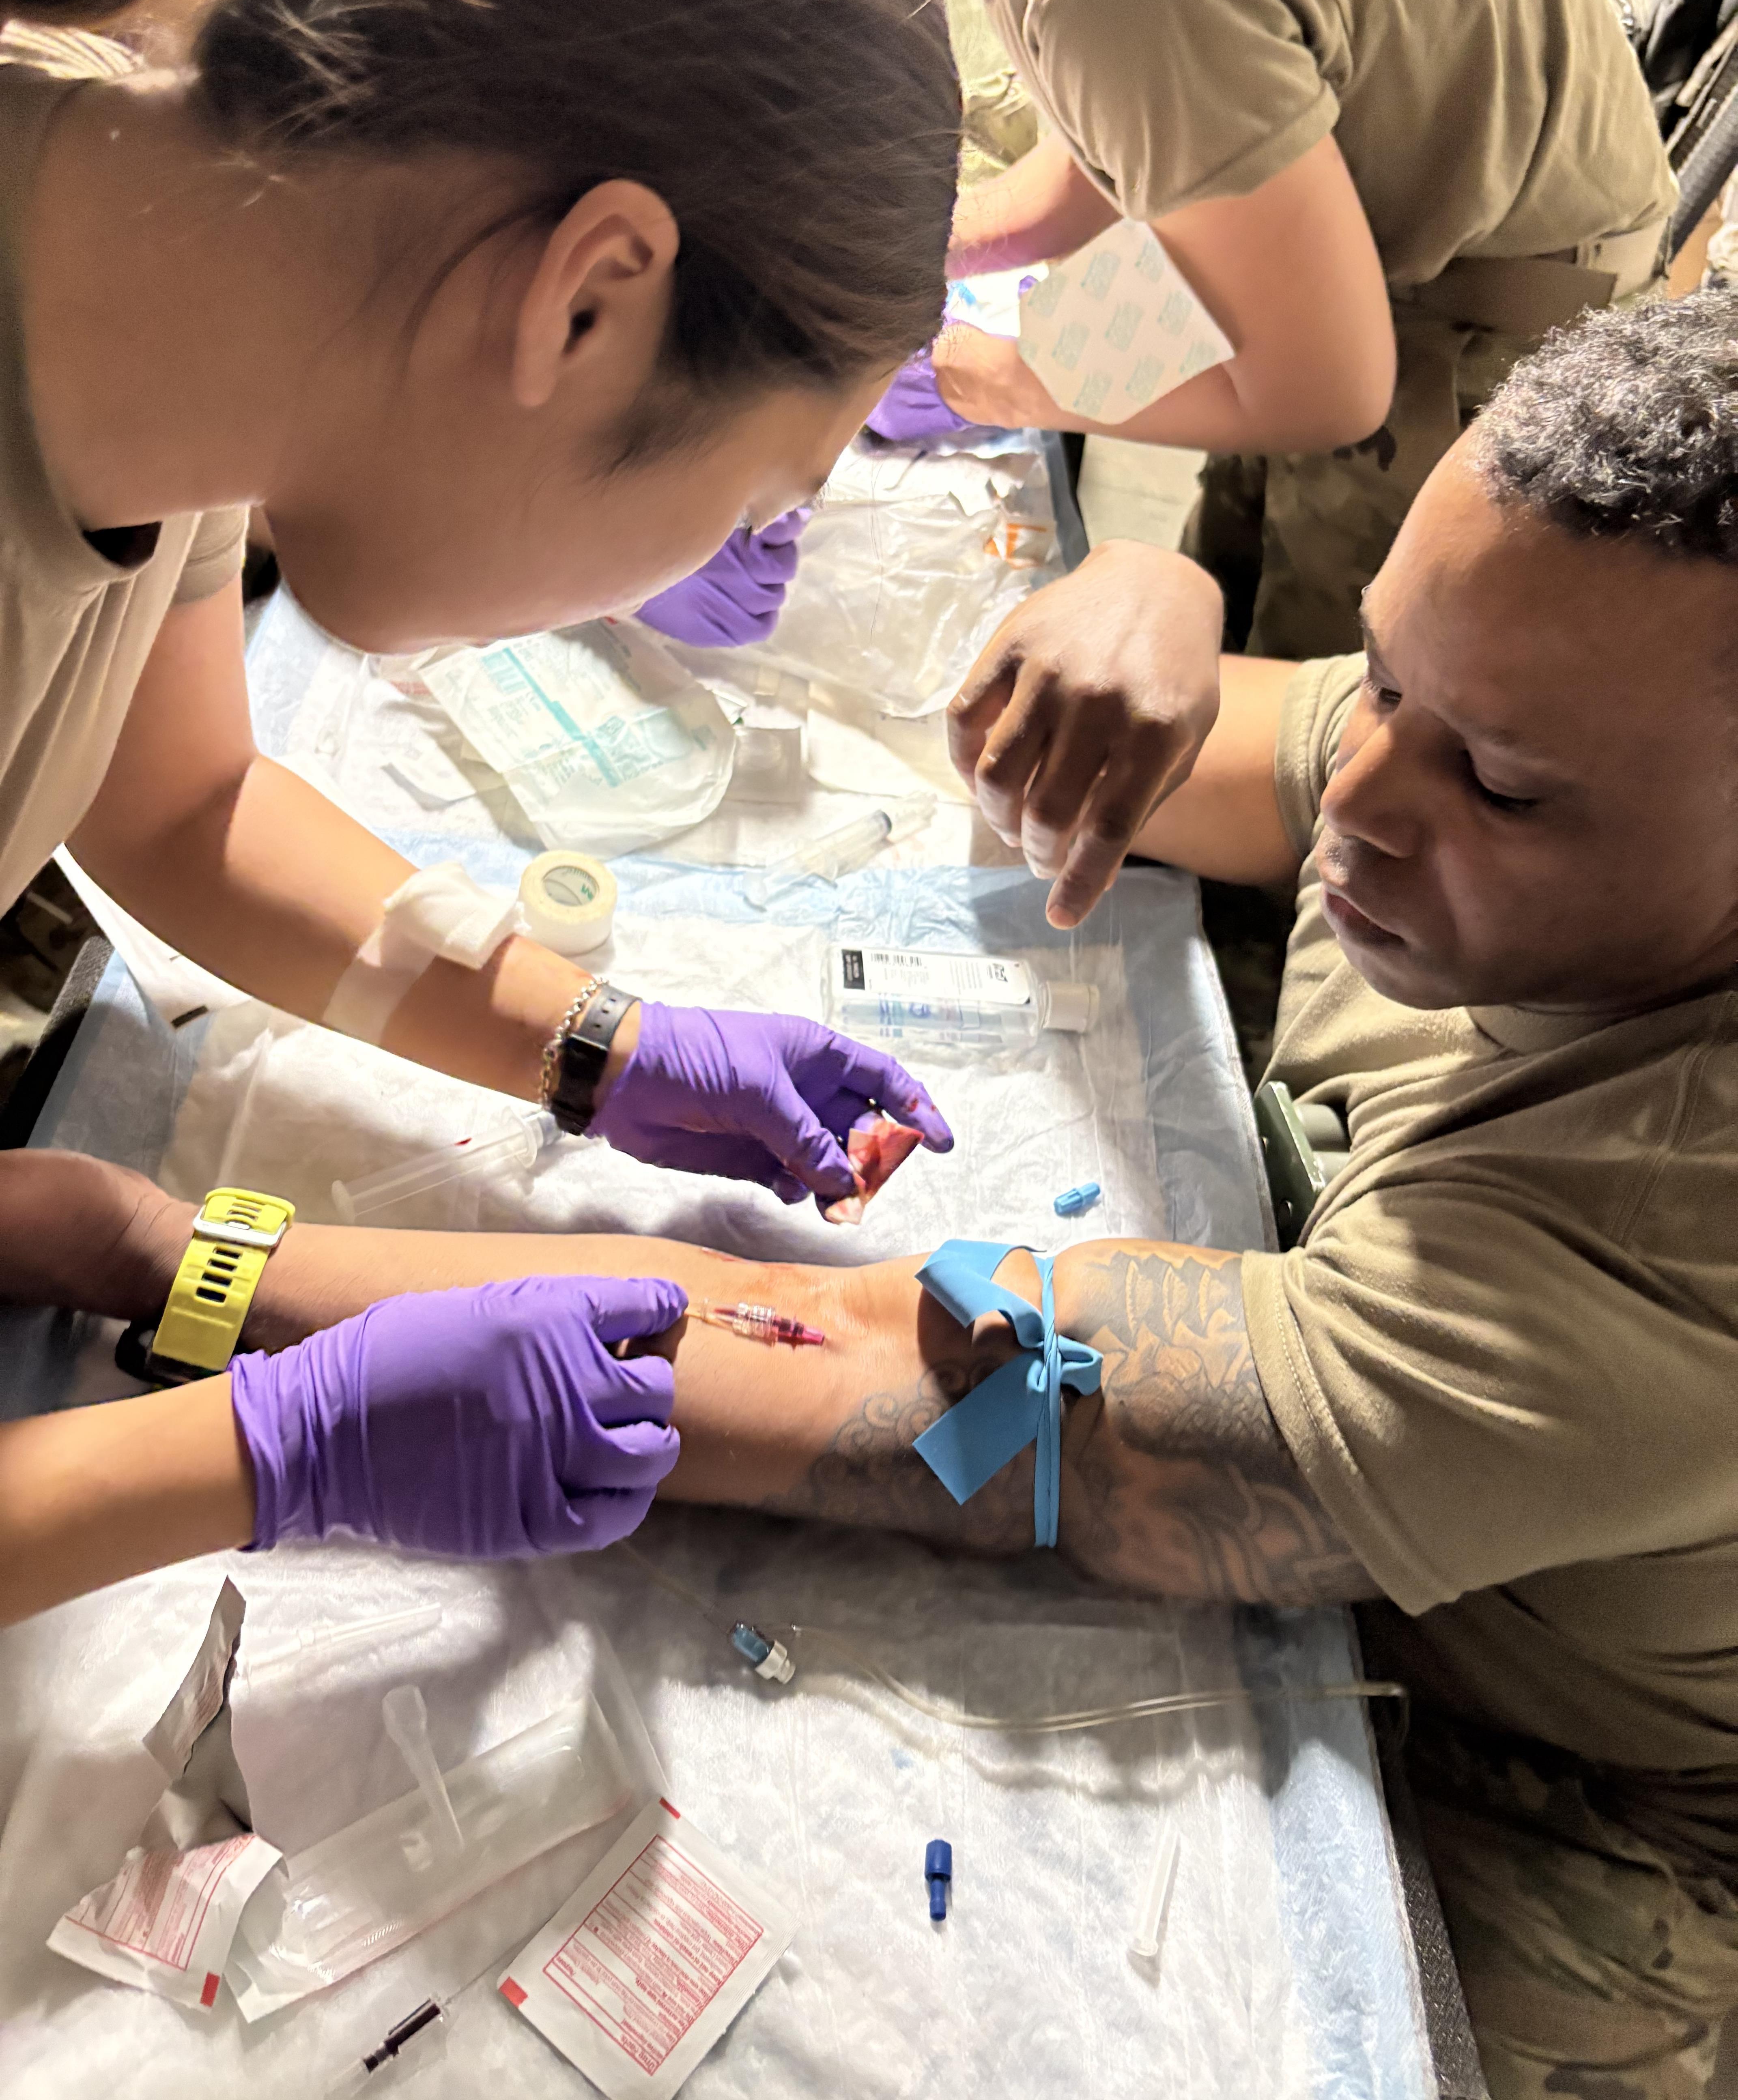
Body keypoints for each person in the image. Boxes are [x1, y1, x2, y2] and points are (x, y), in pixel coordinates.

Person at [10, 290, 1735, 2090]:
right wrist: (1145, 607)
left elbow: (903, 1369)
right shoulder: (1511, 746)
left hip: (1579, 1785)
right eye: (1382, 676)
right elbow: (1178, 753)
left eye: (1504, 788)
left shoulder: (1670, 1239)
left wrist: (182, 1262)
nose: (1360, 797)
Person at [0, 0, 960, 1262]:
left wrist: (592, 1043)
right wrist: (270, 1409)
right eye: (761, 502)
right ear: (585, 305)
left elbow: (177, 804)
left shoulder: (190, 329)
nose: (729, 557)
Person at [829, 0, 1677, 933]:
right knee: (1207, 619)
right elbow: (1118, 139)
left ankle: (1257, 990)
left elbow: (1326, 385)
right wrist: (936, 254)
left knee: (1333, 748)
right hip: (1362, 251)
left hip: (1470, 323)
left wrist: (1015, 379)